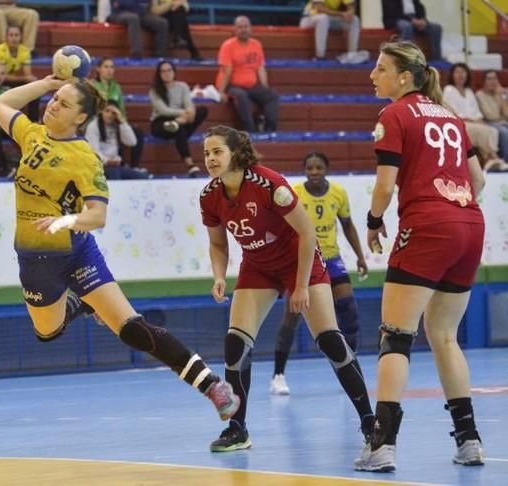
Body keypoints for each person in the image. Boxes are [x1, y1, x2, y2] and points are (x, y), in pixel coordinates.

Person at [0, 73, 241, 427]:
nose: (53, 105)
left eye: (63, 102)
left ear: (80, 118)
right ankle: (78, 305)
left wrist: (64, 222)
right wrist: (46, 84)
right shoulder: (31, 134)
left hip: (77, 251)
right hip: (36, 260)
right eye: (54, 98)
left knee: (132, 328)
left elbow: (98, 215)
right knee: (47, 332)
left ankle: (214, 387)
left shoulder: (84, 158)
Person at [199, 125, 373, 452]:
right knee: (235, 344)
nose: (210, 158)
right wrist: (219, 275)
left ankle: (370, 423)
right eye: (206, 153)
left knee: (330, 341)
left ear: (236, 153)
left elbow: (308, 234)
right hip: (258, 265)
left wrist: (302, 285)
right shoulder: (210, 195)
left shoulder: (269, 184)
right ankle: (238, 429)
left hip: (298, 260)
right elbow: (218, 244)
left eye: (217, 151)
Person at [355, 40, 485, 472]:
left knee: (396, 336)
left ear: (404, 77)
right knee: (444, 335)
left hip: (428, 226)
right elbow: (478, 179)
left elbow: (385, 187)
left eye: (380, 68)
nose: (373, 76)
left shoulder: (393, 115)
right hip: (469, 223)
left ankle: (381, 445)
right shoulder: (450, 115)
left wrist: (374, 223)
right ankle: (469, 441)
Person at [270, 151, 368, 396]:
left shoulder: (338, 192)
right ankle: (278, 376)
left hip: (331, 259)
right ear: (305, 171)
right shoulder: (294, 194)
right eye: (310, 168)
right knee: (292, 316)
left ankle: (349, 366)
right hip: (302, 260)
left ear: (326, 169)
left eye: (319, 168)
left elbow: (347, 226)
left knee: (349, 309)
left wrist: (360, 256)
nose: (314, 172)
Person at [216, 16, 279, 133]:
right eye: (240, 27)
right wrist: (221, 92)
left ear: (251, 28)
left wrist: (264, 88)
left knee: (272, 96)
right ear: (234, 29)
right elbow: (227, 71)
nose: (243, 30)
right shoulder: (228, 45)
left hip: (252, 85)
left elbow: (260, 68)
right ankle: (251, 132)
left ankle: (270, 130)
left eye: (246, 27)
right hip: (232, 85)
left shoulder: (256, 45)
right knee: (242, 96)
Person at [443, 63, 508, 172]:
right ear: (452, 75)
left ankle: (489, 159)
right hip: (458, 124)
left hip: (473, 122)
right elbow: (450, 112)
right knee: (486, 130)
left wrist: (478, 120)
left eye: (463, 72)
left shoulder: (469, 91)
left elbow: (477, 113)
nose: (461, 75)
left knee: (491, 130)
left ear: (467, 75)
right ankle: (493, 158)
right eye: (458, 72)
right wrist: (472, 120)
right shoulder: (449, 89)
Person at [149, 60, 206, 177]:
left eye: (169, 70)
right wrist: (184, 113)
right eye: (163, 71)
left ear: (174, 72)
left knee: (202, 110)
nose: (166, 73)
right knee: (179, 130)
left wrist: (189, 112)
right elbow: (163, 110)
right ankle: (190, 165)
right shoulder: (154, 90)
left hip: (181, 119)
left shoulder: (183, 86)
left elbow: (188, 104)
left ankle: (176, 124)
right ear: (159, 74)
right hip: (161, 121)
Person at [90, 57, 145, 168]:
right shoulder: (92, 85)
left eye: (112, 67)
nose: (109, 70)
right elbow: (88, 108)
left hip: (114, 121)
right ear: (98, 69)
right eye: (106, 67)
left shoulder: (116, 87)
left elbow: (121, 109)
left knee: (137, 133)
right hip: (97, 121)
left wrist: (122, 122)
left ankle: (134, 166)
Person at [84, 100, 150, 180]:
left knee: (142, 177)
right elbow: (93, 152)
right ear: (101, 112)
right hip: (99, 166)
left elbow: (132, 142)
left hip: (116, 166)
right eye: (107, 111)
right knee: (115, 175)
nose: (109, 115)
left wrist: (122, 121)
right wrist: (107, 161)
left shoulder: (118, 125)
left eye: (113, 113)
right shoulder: (93, 126)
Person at [0, 25, 38, 121]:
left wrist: (33, 82)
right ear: (6, 37)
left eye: (16, 35)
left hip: (10, 80)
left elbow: (27, 75)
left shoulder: (24, 51)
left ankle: (34, 121)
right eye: (11, 35)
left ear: (20, 37)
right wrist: (25, 79)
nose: (14, 38)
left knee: (35, 89)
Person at [299, 0, 365, 64]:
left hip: (329, 18)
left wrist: (350, 13)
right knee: (323, 18)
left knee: (355, 20)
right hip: (308, 18)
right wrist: (342, 14)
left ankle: (352, 55)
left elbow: (351, 6)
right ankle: (319, 56)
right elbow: (319, 8)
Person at [476, 70, 508, 160]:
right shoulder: (480, 95)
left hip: (501, 122)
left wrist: (502, 97)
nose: (492, 81)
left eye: (495, 78)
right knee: (504, 132)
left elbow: (506, 114)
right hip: (487, 123)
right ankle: (506, 161)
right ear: (484, 82)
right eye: (489, 79)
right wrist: (501, 118)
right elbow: (489, 115)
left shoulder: (500, 94)